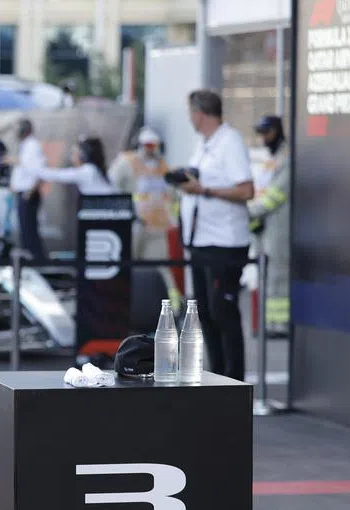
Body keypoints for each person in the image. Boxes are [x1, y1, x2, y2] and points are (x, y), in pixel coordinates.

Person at [176, 89, 255, 381]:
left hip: (224, 242)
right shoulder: (204, 144)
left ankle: (234, 379)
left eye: (191, 113)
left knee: (223, 311)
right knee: (206, 314)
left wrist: (205, 190)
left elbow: (246, 190)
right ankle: (217, 375)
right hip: (201, 240)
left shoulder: (229, 142)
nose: (189, 118)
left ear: (200, 113)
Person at [110, 127, 180, 308]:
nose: (150, 149)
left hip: (157, 226)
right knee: (127, 265)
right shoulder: (126, 162)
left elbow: (173, 194)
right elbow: (113, 187)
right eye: (147, 145)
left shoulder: (163, 166)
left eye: (153, 145)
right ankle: (121, 304)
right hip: (133, 225)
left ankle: (173, 308)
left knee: (161, 267)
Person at [247, 114, 290, 337]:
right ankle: (270, 323)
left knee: (278, 276)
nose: (263, 138)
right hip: (265, 225)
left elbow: (276, 194)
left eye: (267, 132)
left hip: (279, 226)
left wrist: (250, 211)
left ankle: (279, 326)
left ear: (277, 131)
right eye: (261, 133)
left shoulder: (287, 157)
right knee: (266, 275)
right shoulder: (271, 159)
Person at [9, 118, 47, 262]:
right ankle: (30, 260)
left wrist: (30, 190)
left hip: (28, 193)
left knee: (30, 230)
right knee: (25, 230)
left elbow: (38, 169)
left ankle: (37, 261)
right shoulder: (26, 145)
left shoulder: (32, 146)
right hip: (24, 193)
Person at [34, 136, 116, 195]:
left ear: (83, 156)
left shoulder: (87, 171)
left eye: (74, 153)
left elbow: (57, 175)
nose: (71, 157)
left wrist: (32, 169)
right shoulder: (93, 169)